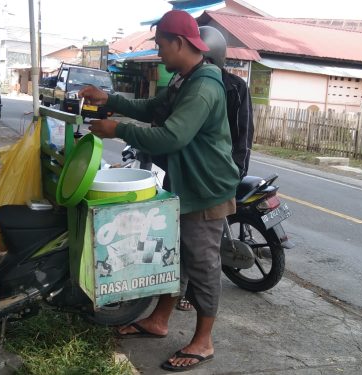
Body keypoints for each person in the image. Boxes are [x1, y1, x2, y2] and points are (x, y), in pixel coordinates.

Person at [79, 10, 239, 372]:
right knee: (174, 257)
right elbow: (153, 108)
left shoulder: (204, 86)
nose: (158, 51)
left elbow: (172, 136)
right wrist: (110, 99)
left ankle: (204, 340)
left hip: (206, 189)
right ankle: (159, 320)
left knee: (202, 265)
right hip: (183, 184)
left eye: (161, 43)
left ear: (179, 43)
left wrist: (117, 129)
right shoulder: (185, 79)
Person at [176, 25, 256, 312]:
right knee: (184, 243)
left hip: (215, 178)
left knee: (203, 250)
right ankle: (177, 294)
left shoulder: (231, 87)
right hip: (188, 176)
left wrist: (234, 174)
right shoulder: (184, 81)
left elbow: (242, 135)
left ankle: (197, 300)